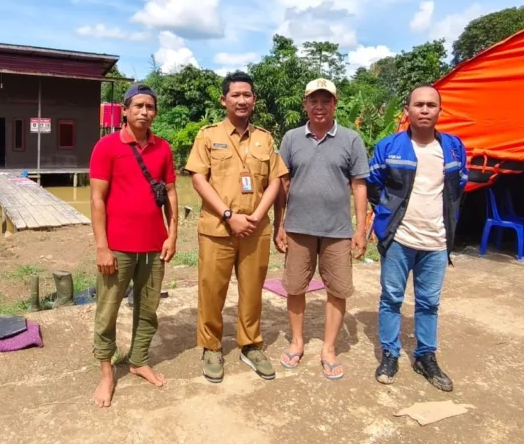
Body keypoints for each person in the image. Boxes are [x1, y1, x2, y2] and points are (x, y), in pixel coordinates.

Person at [185, 71, 289, 383]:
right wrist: (229, 215)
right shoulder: (208, 136)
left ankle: (251, 345)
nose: (242, 100)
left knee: (252, 290)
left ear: (254, 100)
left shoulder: (264, 138)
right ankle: (211, 347)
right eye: (235, 95)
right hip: (218, 228)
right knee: (211, 290)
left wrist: (257, 215)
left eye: (247, 95)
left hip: (255, 229)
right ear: (224, 100)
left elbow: (276, 180)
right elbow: (198, 179)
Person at [365, 84, 468, 392]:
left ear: (440, 111)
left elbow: (458, 187)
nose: (424, 110)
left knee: (429, 302)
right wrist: (386, 219)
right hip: (399, 239)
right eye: (418, 104)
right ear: (407, 110)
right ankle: (390, 354)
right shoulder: (390, 146)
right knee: (391, 298)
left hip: (436, 242)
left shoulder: (453, 147)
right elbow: (373, 185)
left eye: (431, 105)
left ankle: (425, 356)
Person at [273, 78, 369, 381]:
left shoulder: (351, 139)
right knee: (294, 287)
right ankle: (297, 342)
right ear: (305, 104)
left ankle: (328, 349)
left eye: (325, 100)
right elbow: (282, 184)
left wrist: (360, 230)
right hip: (298, 228)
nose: (319, 106)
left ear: (334, 104)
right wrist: (279, 223)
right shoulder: (291, 138)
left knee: (337, 290)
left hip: (337, 231)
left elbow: (359, 185)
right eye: (313, 100)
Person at [89, 82, 178, 408]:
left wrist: (172, 234)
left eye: (150, 107)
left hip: (154, 246)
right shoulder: (106, 147)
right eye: (138, 106)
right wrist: (102, 247)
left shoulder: (163, 148)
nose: (144, 111)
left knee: (148, 308)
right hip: (118, 247)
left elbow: (170, 193)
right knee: (108, 310)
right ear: (124, 111)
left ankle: (139, 360)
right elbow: (97, 199)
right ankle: (107, 373)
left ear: (155, 112)